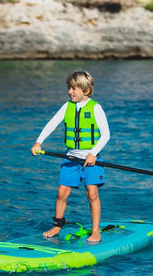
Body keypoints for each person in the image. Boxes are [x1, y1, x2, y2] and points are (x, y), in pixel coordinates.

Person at [31, 71, 110, 242]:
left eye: (74, 88)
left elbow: (106, 135)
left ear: (86, 90)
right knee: (61, 192)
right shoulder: (67, 107)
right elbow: (52, 124)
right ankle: (57, 226)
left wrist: (92, 153)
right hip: (71, 158)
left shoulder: (96, 108)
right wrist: (39, 142)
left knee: (92, 193)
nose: (70, 92)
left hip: (91, 160)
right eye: (69, 88)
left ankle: (96, 230)